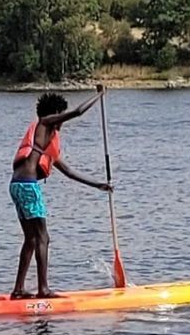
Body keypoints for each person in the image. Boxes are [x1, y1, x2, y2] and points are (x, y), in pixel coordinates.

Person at [9, 87, 114, 298]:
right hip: (28, 186)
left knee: (31, 239)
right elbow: (78, 112)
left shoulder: (44, 143)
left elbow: (68, 171)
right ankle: (43, 289)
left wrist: (98, 185)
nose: (61, 122)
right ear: (54, 114)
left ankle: (18, 290)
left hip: (17, 185)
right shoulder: (45, 122)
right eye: (60, 116)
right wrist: (99, 95)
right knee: (43, 238)